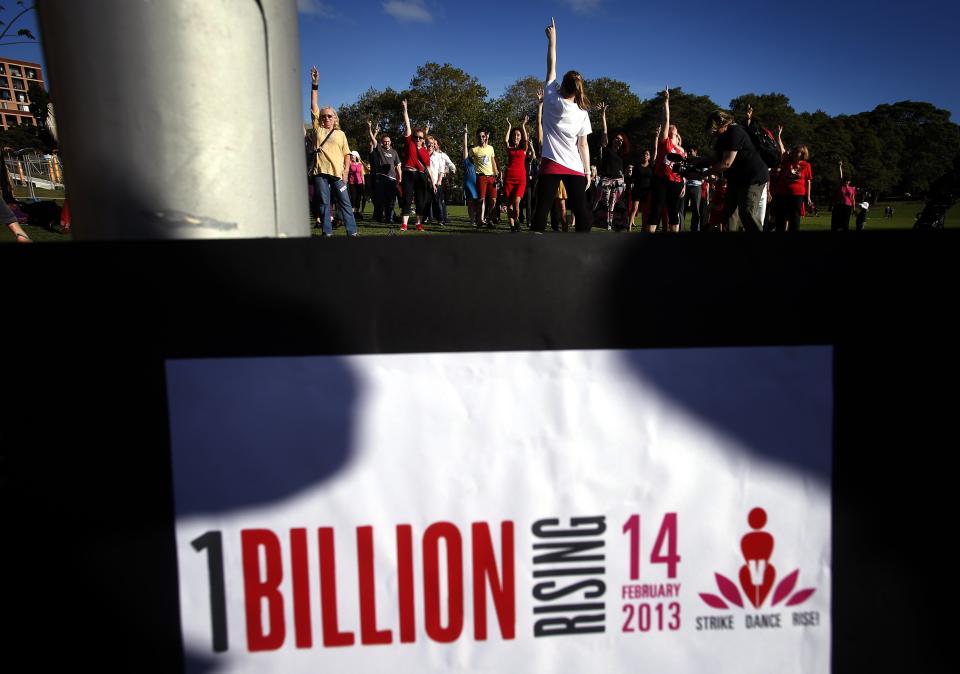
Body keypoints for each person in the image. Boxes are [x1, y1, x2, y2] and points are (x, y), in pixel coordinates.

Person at [531, 17, 593, 233]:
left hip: (551, 163)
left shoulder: (550, 97)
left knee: (542, 209)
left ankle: (533, 247)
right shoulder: (582, 113)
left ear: (563, 86)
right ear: (578, 90)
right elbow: (583, 145)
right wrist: (587, 170)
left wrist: (553, 39)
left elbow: (551, 66)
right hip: (575, 168)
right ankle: (584, 250)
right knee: (581, 210)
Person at [308, 66, 358, 237]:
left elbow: (347, 154)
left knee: (345, 202)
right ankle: (326, 233)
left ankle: (352, 232)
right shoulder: (318, 129)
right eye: (323, 116)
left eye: (330, 116)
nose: (326, 118)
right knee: (324, 202)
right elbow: (314, 105)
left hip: (337, 173)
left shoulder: (341, 133)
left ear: (335, 118)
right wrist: (315, 84)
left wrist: (345, 172)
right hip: (320, 172)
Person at [705, 108, 770, 232]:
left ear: (722, 123)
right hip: (736, 179)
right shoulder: (722, 137)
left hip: (752, 177)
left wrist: (703, 174)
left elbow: (726, 163)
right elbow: (713, 158)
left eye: (715, 130)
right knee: (728, 214)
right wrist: (695, 162)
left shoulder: (735, 131)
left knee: (747, 212)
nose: (715, 134)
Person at [648, 89, 686, 232]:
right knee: (656, 211)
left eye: (674, 128)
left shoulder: (682, 151)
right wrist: (666, 101)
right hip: (661, 180)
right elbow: (665, 120)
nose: (672, 126)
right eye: (670, 127)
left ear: (677, 134)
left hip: (675, 183)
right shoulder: (665, 142)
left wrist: (684, 185)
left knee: (673, 213)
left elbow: (683, 170)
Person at [399, 99, 432, 232]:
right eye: (416, 137)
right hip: (408, 173)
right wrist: (405, 110)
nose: (417, 139)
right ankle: (404, 224)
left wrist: (433, 182)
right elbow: (407, 125)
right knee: (407, 198)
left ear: (423, 139)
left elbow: (428, 168)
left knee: (420, 200)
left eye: (420, 137)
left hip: (421, 176)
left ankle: (419, 224)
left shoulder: (425, 152)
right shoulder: (410, 143)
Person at [595, 102, 628, 230]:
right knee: (604, 202)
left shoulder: (621, 155)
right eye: (617, 138)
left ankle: (610, 224)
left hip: (618, 182)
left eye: (621, 140)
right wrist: (603, 114)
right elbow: (604, 132)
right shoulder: (607, 149)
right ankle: (601, 221)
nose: (618, 140)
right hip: (606, 181)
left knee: (614, 204)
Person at [772, 134, 813, 232]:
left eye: (797, 152)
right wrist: (779, 137)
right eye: (794, 151)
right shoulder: (786, 161)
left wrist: (808, 197)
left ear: (803, 153)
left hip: (797, 196)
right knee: (780, 221)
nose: (795, 153)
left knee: (794, 221)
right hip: (781, 194)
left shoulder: (806, 165)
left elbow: (808, 181)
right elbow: (782, 149)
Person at [367, 120, 401, 224]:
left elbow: (398, 165)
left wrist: (400, 178)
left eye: (388, 141)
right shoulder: (380, 149)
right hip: (381, 178)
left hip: (392, 179)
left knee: (391, 201)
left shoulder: (394, 152)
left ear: (391, 142)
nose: (386, 143)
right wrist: (370, 128)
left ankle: (389, 219)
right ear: (382, 142)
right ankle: (377, 218)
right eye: (385, 141)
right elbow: (372, 140)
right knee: (380, 200)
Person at [503, 116, 530, 232]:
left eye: (518, 135)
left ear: (521, 137)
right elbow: (505, 140)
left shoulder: (524, 149)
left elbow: (526, 140)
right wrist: (509, 127)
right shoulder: (509, 148)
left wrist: (523, 126)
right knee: (509, 205)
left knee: (517, 203)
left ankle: (517, 219)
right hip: (509, 178)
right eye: (514, 135)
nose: (516, 137)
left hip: (520, 179)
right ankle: (512, 226)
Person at [471, 128, 499, 227]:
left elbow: (493, 162)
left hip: (491, 177)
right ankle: (480, 220)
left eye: (483, 136)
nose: (481, 138)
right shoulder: (474, 150)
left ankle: (488, 219)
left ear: (485, 137)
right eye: (479, 136)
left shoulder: (491, 148)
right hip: (481, 177)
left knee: (493, 200)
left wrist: (497, 175)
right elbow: (467, 159)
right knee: (481, 200)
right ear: (477, 137)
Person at [428, 136, 456, 227]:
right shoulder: (426, 153)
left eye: (434, 144)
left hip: (439, 180)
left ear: (437, 145)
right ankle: (430, 217)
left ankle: (442, 218)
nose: (432, 145)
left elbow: (451, 166)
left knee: (439, 200)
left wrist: (450, 171)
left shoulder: (442, 155)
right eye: (431, 143)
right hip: (429, 180)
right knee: (429, 200)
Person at [831, 160, 856, 231]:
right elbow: (840, 176)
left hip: (848, 207)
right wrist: (840, 166)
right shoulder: (840, 186)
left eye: (848, 181)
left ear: (849, 181)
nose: (846, 182)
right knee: (836, 224)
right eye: (845, 181)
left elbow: (853, 199)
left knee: (845, 224)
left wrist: (854, 209)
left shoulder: (852, 188)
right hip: (839, 206)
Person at [463, 126, 479, 225]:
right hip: (469, 184)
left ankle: (478, 218)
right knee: (470, 203)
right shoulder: (466, 160)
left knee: (478, 203)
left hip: (478, 182)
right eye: (470, 150)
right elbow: (465, 146)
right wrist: (465, 134)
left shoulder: (479, 160)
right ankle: (472, 220)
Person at [347, 151, 365, 220]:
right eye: (351, 155)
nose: (352, 156)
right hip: (352, 183)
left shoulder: (360, 164)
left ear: (356, 156)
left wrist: (363, 183)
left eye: (353, 155)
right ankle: (352, 213)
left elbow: (362, 175)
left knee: (359, 198)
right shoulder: (349, 164)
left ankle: (357, 212)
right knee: (353, 198)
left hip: (359, 183)